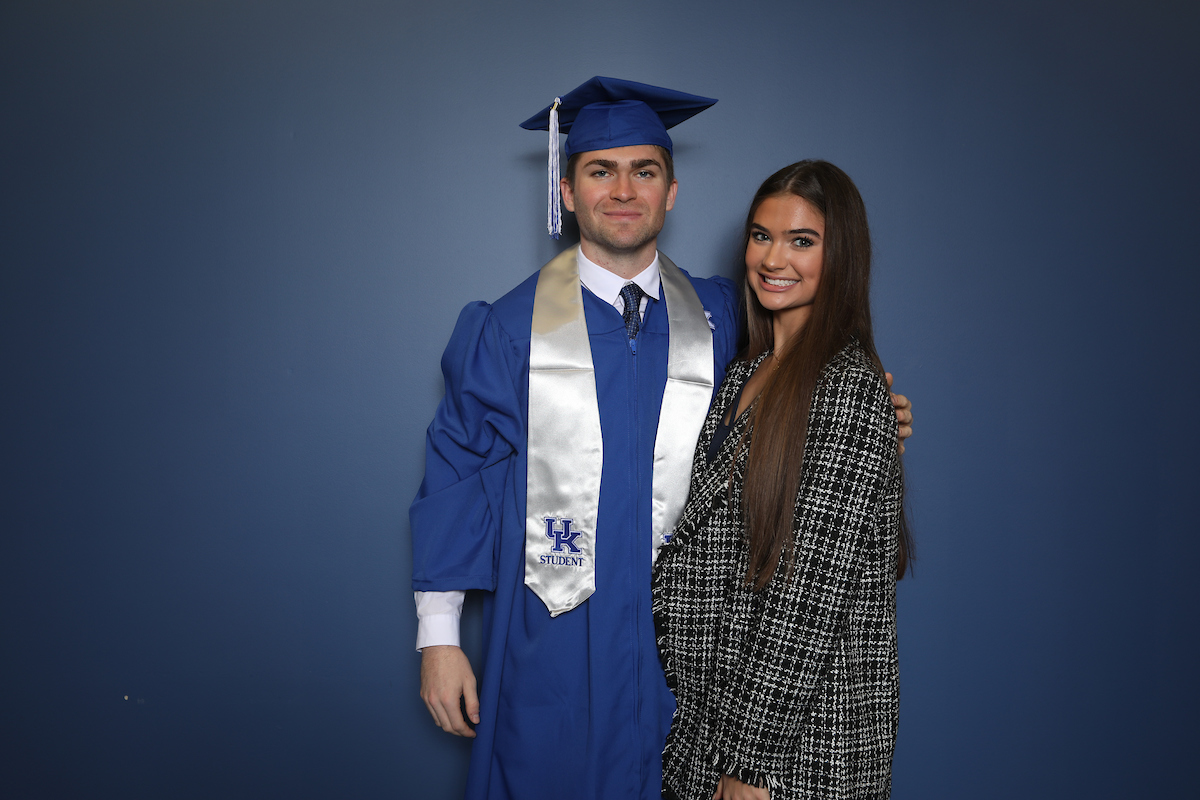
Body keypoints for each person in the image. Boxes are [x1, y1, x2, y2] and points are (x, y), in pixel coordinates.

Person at [410, 77, 914, 799]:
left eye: (643, 170)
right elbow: (458, 467)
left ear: (670, 190)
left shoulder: (720, 317)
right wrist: (439, 638)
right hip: (554, 640)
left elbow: (815, 403)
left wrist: (881, 416)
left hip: (691, 659)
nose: (623, 190)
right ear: (567, 189)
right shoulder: (508, 327)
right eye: (599, 171)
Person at [652, 160, 912, 800]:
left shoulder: (848, 387)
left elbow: (808, 597)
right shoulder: (747, 372)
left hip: (794, 750)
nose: (775, 258)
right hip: (706, 719)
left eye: (803, 241)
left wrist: (749, 765)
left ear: (841, 255)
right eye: (762, 235)